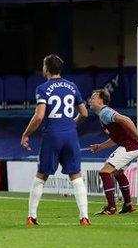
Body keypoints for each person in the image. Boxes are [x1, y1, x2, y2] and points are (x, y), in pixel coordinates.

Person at [20, 54, 90, 226]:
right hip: (70, 135)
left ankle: (32, 216)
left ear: (46, 68)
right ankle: (84, 217)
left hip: (52, 135)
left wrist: (26, 134)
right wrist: (71, 124)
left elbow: (39, 116)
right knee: (76, 175)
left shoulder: (43, 88)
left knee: (41, 175)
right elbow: (84, 113)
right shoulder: (72, 86)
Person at [88, 89, 138, 215]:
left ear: (101, 100)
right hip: (133, 146)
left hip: (130, 146)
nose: (90, 100)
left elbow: (126, 120)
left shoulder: (105, 112)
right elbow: (116, 138)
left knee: (104, 172)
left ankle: (111, 208)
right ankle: (128, 205)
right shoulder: (103, 115)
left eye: (93, 97)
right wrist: (100, 146)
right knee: (118, 172)